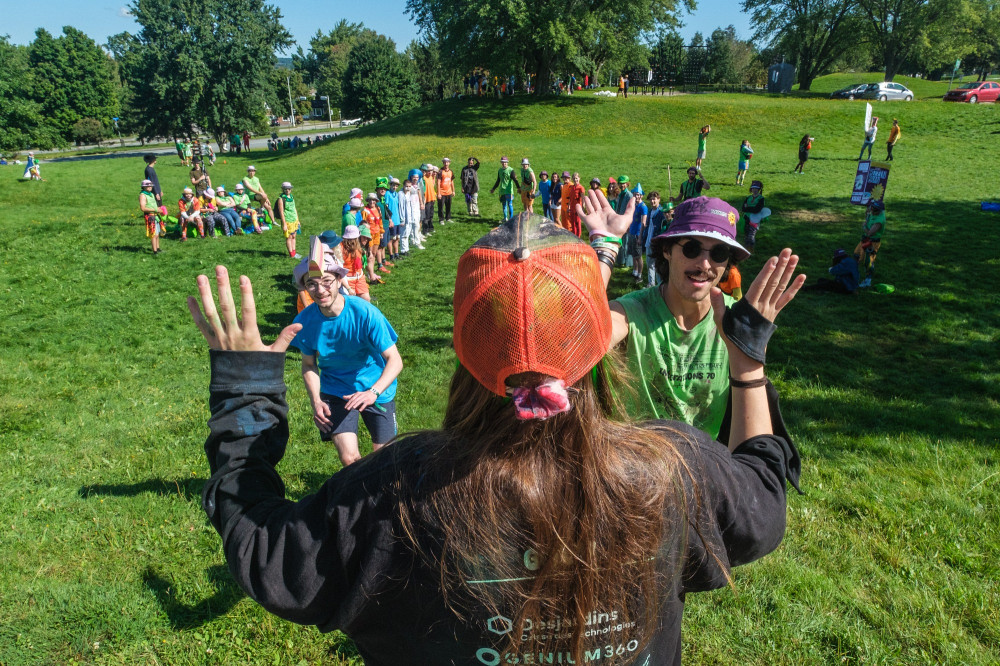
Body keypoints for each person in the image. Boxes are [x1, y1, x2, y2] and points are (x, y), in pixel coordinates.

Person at [189, 212, 800, 665]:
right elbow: (762, 500)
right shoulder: (671, 468)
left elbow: (266, 553)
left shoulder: (392, 492)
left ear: (463, 346)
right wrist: (747, 367)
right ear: (600, 346)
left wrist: (246, 402)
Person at [579, 191, 806, 441]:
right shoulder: (633, 312)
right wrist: (607, 246)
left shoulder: (735, 321)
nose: (705, 264)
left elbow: (754, 441)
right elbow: (576, 340)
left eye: (718, 253)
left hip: (707, 471)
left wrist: (749, 351)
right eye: (692, 249)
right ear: (666, 250)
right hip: (637, 471)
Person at [289, 249, 403, 467]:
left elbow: (395, 360)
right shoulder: (304, 321)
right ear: (304, 288)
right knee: (350, 460)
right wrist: (316, 401)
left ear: (339, 280)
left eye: (327, 281)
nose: (320, 290)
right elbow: (309, 364)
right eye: (312, 284)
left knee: (386, 459)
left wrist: (372, 392)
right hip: (335, 390)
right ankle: (362, 499)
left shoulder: (365, 312)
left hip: (376, 387)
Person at [855, 198, 886, 288]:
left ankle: (868, 280)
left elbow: (869, 233)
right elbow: (867, 214)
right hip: (865, 239)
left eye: (874, 209)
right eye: (871, 208)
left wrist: (864, 226)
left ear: (879, 211)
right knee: (856, 255)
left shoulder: (879, 221)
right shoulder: (872, 211)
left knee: (868, 261)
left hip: (872, 243)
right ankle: (854, 274)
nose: (872, 211)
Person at [644, 195, 673, 287]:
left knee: (664, 268)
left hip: (669, 250)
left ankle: (664, 285)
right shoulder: (664, 222)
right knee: (654, 265)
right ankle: (655, 285)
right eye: (665, 213)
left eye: (668, 212)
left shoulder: (674, 224)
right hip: (657, 245)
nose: (666, 215)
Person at [340, 225, 372, 302]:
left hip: (359, 277)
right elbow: (339, 270)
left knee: (366, 299)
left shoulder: (358, 246)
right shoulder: (340, 249)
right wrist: (348, 288)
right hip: (347, 279)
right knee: (351, 302)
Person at [363, 193, 389, 275]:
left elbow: (380, 222)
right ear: (368, 200)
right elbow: (363, 224)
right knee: (369, 255)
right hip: (369, 235)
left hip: (377, 234)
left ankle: (372, 271)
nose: (372, 202)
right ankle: (369, 272)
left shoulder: (378, 209)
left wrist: (381, 232)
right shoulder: (365, 211)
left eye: (373, 200)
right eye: (370, 200)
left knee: (374, 253)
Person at [627, 184, 648, 283]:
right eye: (635, 194)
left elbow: (644, 222)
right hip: (631, 231)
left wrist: (640, 237)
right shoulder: (633, 205)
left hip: (637, 234)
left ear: (642, 195)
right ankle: (634, 271)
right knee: (633, 254)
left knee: (638, 256)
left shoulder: (643, 207)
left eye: (639, 195)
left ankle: (640, 274)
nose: (637, 196)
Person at [740, 180, 769, 251]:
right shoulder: (748, 197)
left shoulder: (761, 199)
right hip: (746, 218)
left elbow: (757, 210)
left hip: (755, 219)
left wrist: (748, 207)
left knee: (751, 235)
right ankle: (746, 250)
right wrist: (749, 208)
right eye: (753, 188)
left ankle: (750, 250)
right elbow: (743, 208)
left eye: (756, 188)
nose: (754, 190)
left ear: (759, 189)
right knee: (746, 234)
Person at [276, 182, 302, 259]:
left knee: (294, 236)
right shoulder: (281, 199)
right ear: (282, 189)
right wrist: (284, 224)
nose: (287, 190)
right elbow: (281, 212)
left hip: (294, 220)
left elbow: (294, 209)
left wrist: (298, 219)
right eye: (285, 189)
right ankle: (291, 254)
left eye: (289, 189)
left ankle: (294, 252)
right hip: (287, 221)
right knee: (289, 237)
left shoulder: (291, 197)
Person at [139, 179, 166, 254]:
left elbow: (154, 206)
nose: (150, 187)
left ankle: (158, 248)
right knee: (153, 234)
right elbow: (143, 208)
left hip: (156, 216)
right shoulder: (142, 195)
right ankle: (155, 251)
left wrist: (160, 209)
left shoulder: (151, 194)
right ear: (143, 187)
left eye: (151, 185)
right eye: (147, 185)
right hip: (150, 216)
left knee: (157, 234)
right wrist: (155, 210)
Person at [490, 156, 519, 223]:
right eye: (503, 162)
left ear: (507, 163)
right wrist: (493, 189)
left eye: (505, 162)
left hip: (509, 190)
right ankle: (505, 218)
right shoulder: (500, 170)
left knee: (510, 204)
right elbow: (498, 180)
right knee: (504, 204)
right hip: (502, 190)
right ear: (501, 163)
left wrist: (518, 188)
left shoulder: (511, 170)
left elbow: (515, 180)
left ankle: (511, 219)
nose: (504, 164)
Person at [560, 171, 585, 237]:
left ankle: (578, 236)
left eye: (576, 178)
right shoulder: (572, 187)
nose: (575, 180)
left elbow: (583, 198)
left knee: (577, 223)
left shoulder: (581, 188)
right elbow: (570, 199)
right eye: (574, 178)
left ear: (579, 178)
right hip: (572, 208)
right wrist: (569, 207)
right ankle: (574, 236)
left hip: (578, 208)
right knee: (573, 222)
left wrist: (582, 208)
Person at [384, 177, 403, 261]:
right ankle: (391, 255)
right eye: (393, 185)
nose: (394, 187)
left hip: (397, 219)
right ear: (390, 185)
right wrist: (389, 219)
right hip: (392, 220)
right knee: (391, 238)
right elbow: (386, 207)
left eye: (396, 186)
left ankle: (396, 253)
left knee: (397, 238)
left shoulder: (396, 194)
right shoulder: (387, 194)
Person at [421, 164, 437, 235]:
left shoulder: (431, 177)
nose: (430, 172)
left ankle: (431, 227)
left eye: (431, 170)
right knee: (426, 216)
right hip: (426, 200)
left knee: (431, 215)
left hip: (432, 199)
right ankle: (425, 230)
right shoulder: (423, 178)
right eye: (428, 171)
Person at [438, 158, 455, 223]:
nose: (446, 164)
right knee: (441, 207)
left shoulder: (451, 171)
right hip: (442, 192)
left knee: (448, 206)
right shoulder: (440, 171)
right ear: (443, 163)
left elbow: (452, 181)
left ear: (449, 163)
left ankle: (448, 218)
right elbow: (438, 182)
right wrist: (439, 193)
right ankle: (441, 219)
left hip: (449, 192)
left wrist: (453, 191)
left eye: (447, 162)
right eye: (445, 162)